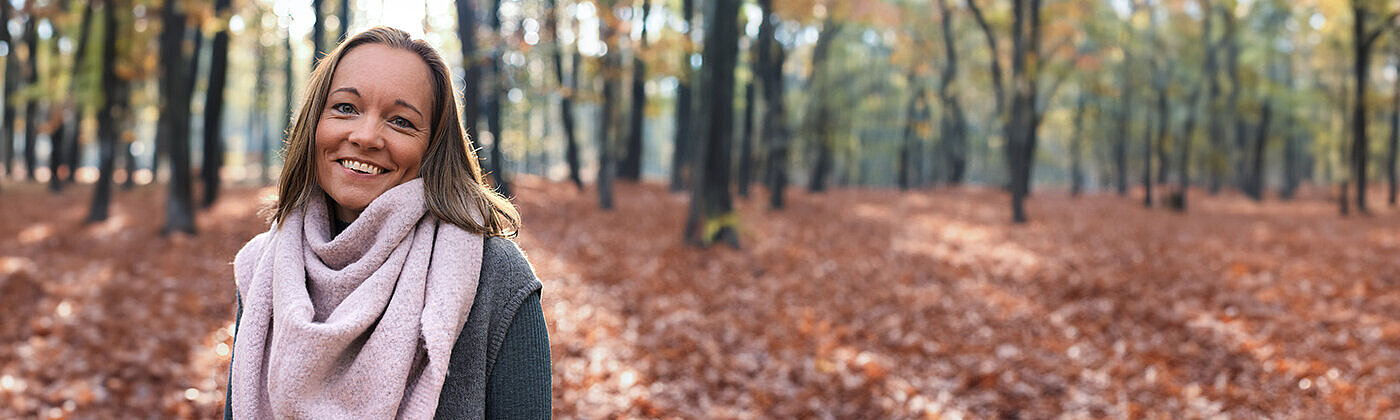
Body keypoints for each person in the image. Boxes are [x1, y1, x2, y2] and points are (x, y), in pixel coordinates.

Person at [223, 27, 550, 419]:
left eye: (400, 121)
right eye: (346, 108)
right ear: (314, 123)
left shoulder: (494, 274)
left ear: (433, 147)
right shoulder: (265, 269)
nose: (366, 136)